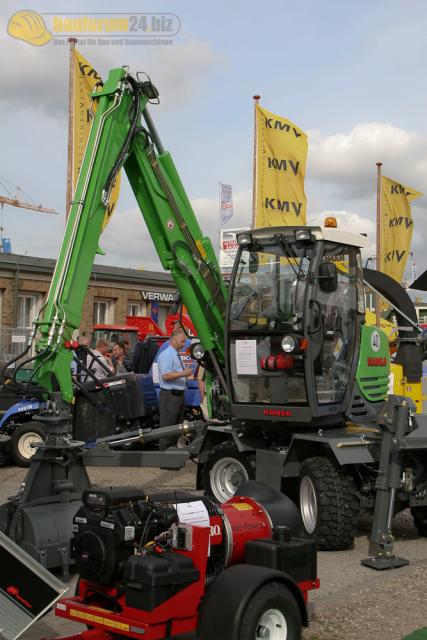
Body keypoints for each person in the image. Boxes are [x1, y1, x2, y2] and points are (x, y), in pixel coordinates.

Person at [157, 327, 193, 449]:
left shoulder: (174, 354)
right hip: (170, 396)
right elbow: (166, 375)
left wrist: (185, 377)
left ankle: (172, 454)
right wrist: (184, 374)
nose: (183, 344)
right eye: (182, 341)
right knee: (168, 429)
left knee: (175, 429)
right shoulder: (167, 355)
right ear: (173, 339)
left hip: (177, 395)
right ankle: (165, 455)